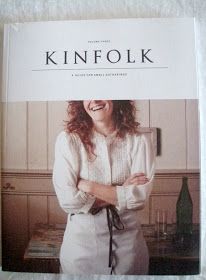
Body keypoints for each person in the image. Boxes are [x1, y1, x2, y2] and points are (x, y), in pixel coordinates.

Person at [52, 100, 155, 275]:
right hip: (80, 254)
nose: (95, 100)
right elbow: (69, 202)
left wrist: (89, 186)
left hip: (129, 253)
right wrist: (122, 190)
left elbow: (138, 199)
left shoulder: (138, 141)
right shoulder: (68, 140)